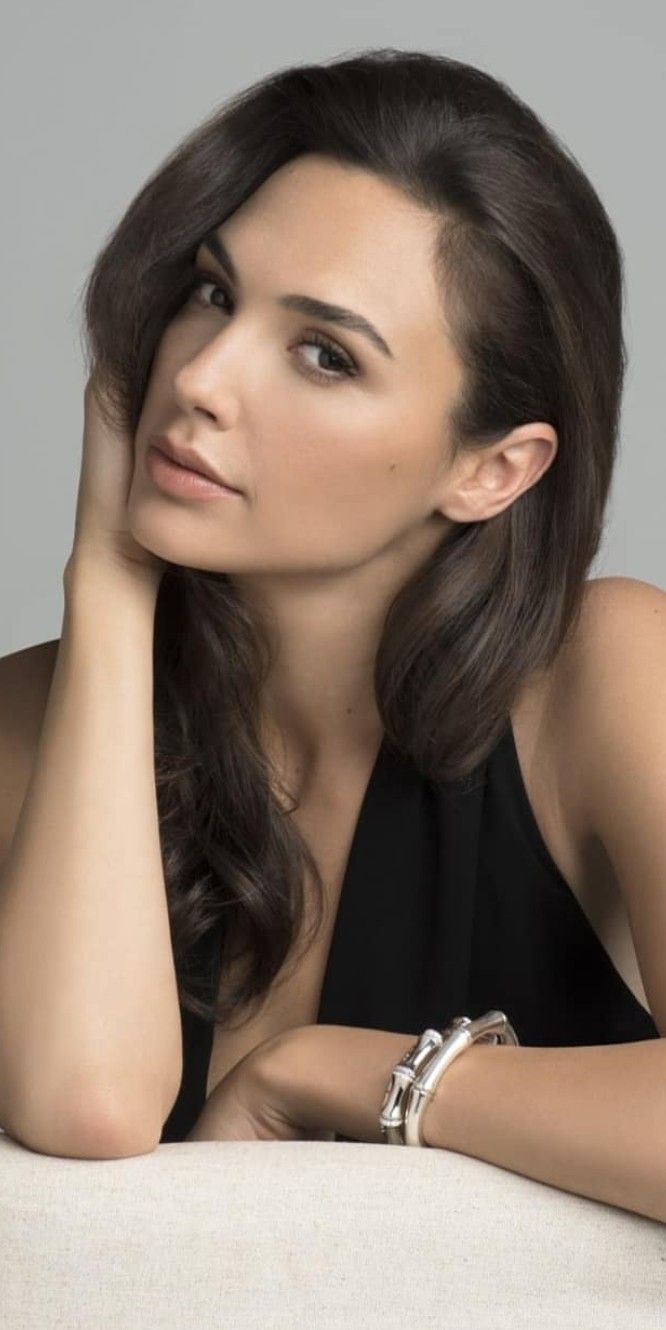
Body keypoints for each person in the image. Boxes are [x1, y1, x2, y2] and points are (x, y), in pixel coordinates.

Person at [1, 49, 665, 1225]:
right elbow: (90, 1102)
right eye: (211, 292)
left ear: (492, 467)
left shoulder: (610, 674)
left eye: (325, 354)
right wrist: (105, 583)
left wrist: (347, 1074)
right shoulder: (36, 723)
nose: (200, 376)